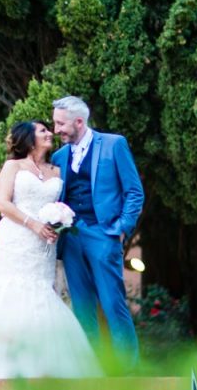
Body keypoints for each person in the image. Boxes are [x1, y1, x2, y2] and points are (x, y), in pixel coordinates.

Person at [0, 120, 101, 379]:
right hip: (16, 238)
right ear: (28, 138)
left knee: (42, 294)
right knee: (10, 291)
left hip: (44, 244)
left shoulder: (57, 171)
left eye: (49, 130)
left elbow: (63, 203)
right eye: (43, 131)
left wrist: (57, 223)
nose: (50, 134)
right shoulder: (13, 166)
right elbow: (2, 204)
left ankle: (43, 369)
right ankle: (1, 368)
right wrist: (33, 224)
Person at [51, 96, 144, 372]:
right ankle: (91, 369)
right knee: (81, 307)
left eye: (60, 123)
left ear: (79, 122)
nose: (56, 129)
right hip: (71, 238)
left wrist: (120, 229)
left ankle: (127, 370)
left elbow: (134, 192)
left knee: (113, 302)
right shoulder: (59, 156)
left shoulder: (114, 144)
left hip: (104, 234)